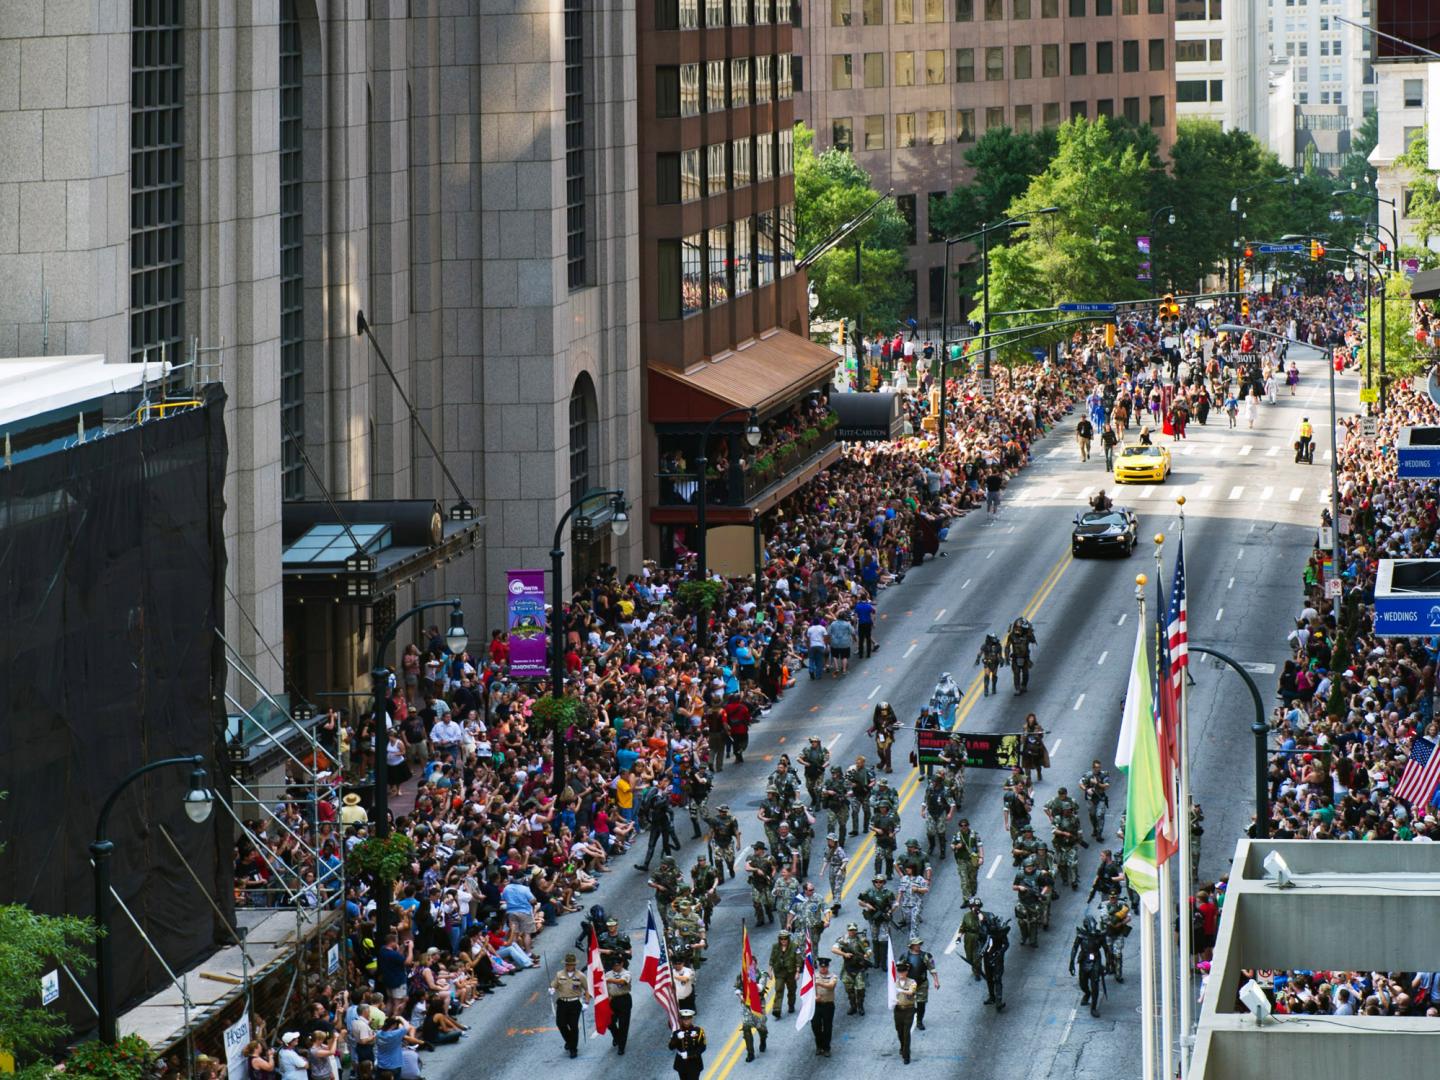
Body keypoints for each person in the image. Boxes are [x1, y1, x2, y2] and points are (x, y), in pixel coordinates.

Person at [549, 952, 589, 1059]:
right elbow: (554, 985)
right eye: (567, 964)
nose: (568, 966)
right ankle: (569, 1041)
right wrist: (551, 989)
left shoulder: (580, 976)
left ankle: (573, 1049)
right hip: (562, 1002)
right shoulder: (559, 974)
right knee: (560, 1024)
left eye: (570, 964)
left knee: (573, 1026)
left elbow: (587, 989)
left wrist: (586, 1003)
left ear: (574, 965)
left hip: (575, 1003)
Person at [831, 922, 872, 1015]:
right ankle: (853, 1006)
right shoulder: (843, 940)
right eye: (850, 930)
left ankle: (860, 1006)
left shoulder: (861, 940)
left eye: (854, 930)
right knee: (849, 989)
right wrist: (844, 954)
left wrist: (866, 955)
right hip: (848, 967)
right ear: (848, 930)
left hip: (859, 968)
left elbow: (869, 950)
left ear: (856, 930)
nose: (852, 932)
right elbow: (833, 949)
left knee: (861, 989)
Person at [768, 928, 802, 1017]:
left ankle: (791, 1005)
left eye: (785, 938)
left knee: (792, 990)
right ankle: (777, 1009)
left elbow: (798, 959)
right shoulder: (775, 947)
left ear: (788, 938)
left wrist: (797, 972)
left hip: (791, 972)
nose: (783, 940)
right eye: (781, 939)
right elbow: (772, 959)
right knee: (779, 989)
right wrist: (770, 971)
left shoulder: (795, 946)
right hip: (779, 972)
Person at [604, 953, 632, 1055]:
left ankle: (621, 1047)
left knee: (623, 1025)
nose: (616, 967)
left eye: (618, 965)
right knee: (609, 1022)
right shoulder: (608, 974)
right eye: (614, 965)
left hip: (624, 999)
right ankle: (616, 1037)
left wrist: (609, 980)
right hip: (613, 1000)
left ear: (622, 964)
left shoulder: (626, 973)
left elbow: (622, 982)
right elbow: (605, 988)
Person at [892, 959, 918, 1065]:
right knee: (899, 1030)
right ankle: (902, 1046)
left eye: (903, 971)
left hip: (909, 1009)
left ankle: (906, 1055)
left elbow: (911, 992)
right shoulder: (894, 982)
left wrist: (900, 990)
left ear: (907, 972)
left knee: (906, 1032)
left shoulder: (912, 982)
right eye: (900, 971)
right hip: (898, 1009)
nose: (901, 973)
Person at [811, 956, 838, 1056]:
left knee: (827, 1027)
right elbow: (808, 991)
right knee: (815, 1026)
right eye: (821, 967)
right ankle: (819, 1046)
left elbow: (831, 986)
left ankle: (826, 1048)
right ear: (819, 967)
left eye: (825, 967)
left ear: (828, 967)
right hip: (816, 1005)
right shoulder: (813, 976)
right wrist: (814, 998)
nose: (823, 969)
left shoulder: (832, 976)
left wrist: (819, 983)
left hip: (828, 1005)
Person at [670, 1009, 706, 1079]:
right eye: (684, 1018)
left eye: (688, 1018)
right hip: (681, 1063)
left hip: (694, 1063)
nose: (686, 1021)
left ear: (692, 1018)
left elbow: (702, 1047)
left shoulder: (698, 1031)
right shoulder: (677, 1032)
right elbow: (671, 1047)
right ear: (681, 1019)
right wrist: (677, 1038)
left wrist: (689, 1054)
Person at [956, 897, 986, 983]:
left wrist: (978, 912)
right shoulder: (967, 916)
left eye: (977, 906)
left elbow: (982, 921)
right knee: (969, 957)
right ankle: (975, 969)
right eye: (973, 906)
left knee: (977, 958)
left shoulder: (981, 915)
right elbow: (963, 928)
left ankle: (977, 973)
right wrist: (959, 937)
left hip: (978, 938)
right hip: (968, 939)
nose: (974, 907)